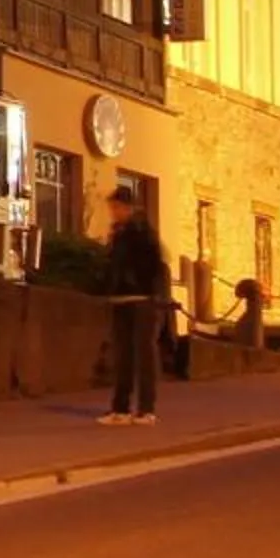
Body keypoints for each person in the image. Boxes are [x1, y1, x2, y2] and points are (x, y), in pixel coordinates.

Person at [99, 182, 170, 425]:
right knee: (123, 356)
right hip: (121, 298)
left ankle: (146, 409)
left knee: (144, 355)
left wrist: (145, 287)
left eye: (117, 207)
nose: (114, 212)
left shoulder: (141, 231)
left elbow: (153, 265)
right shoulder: (117, 233)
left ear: (128, 207)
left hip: (141, 299)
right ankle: (120, 408)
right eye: (112, 207)